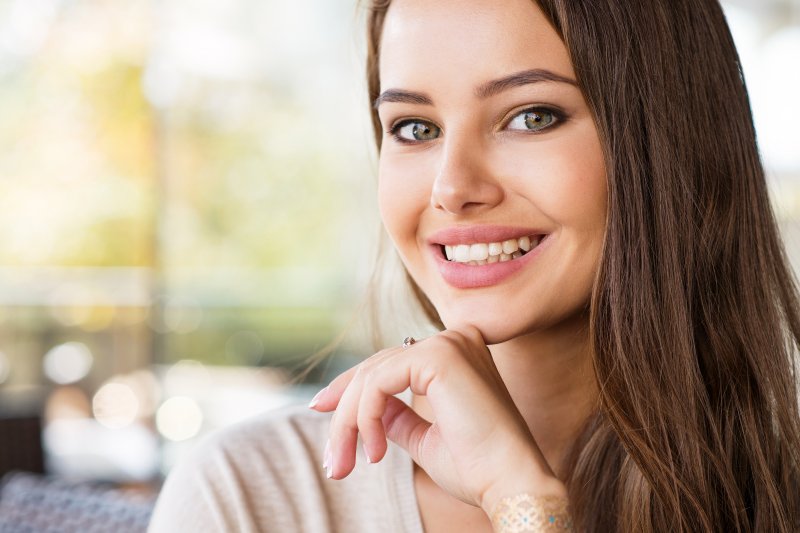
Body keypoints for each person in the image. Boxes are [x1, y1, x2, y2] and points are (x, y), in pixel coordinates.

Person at [148, 0, 800, 531]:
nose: (451, 187)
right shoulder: (251, 495)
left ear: (669, 143)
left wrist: (523, 499)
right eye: (414, 128)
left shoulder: (778, 489)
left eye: (531, 116)